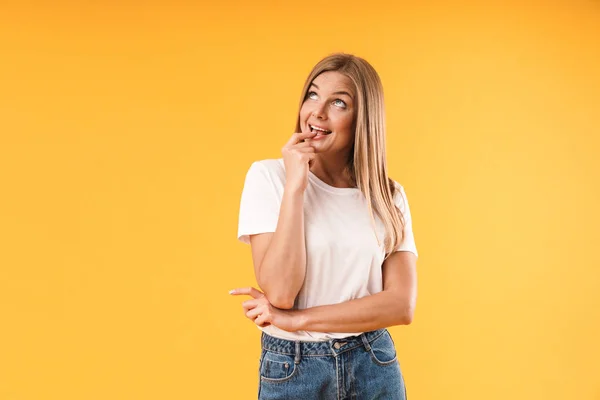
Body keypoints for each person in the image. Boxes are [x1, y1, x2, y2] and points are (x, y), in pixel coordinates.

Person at [231, 53, 419, 400]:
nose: (317, 112)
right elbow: (281, 293)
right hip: (293, 368)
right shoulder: (269, 177)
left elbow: (401, 305)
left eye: (338, 102)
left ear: (362, 119)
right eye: (313, 95)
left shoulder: (387, 195)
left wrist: (299, 320)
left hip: (373, 362)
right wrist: (296, 187)